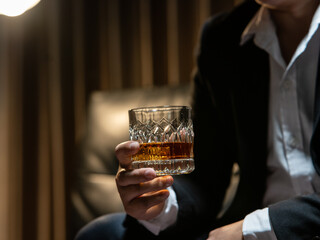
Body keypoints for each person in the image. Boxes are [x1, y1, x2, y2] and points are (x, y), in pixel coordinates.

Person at [75, 0, 320, 239]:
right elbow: (205, 177)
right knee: (104, 233)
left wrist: (252, 229)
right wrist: (160, 202)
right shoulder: (222, 37)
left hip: (267, 226)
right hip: (246, 220)